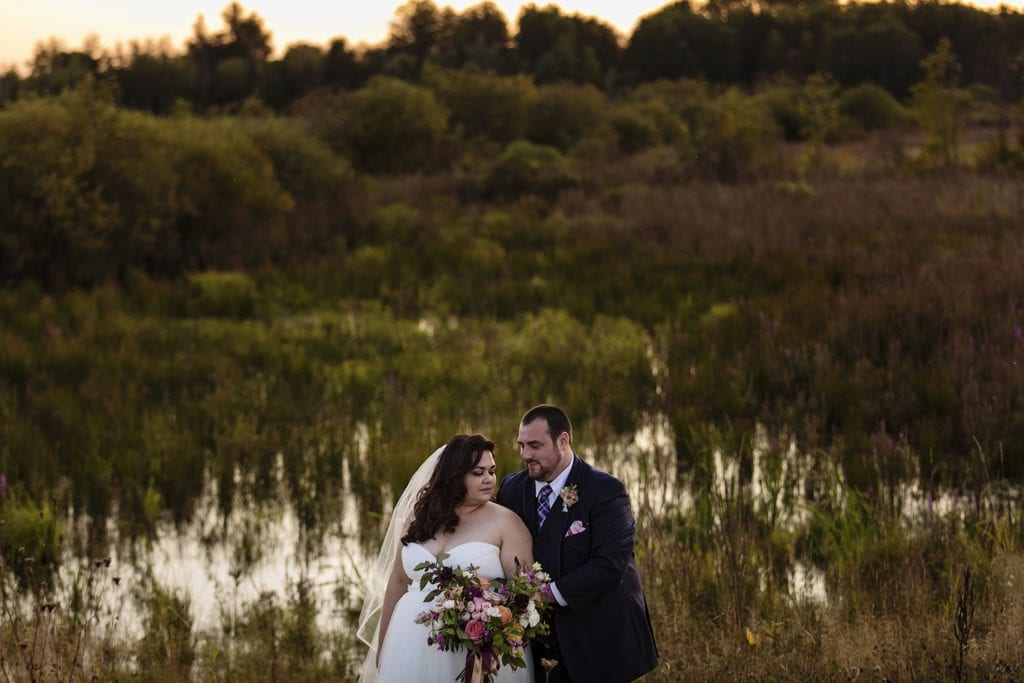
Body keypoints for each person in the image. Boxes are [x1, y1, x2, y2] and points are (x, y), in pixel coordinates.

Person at [496, 405, 659, 682]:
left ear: (563, 441)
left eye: (535, 445)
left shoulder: (606, 491)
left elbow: (609, 566)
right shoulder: (511, 488)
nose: (525, 455)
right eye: (521, 446)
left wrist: (546, 594)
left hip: (599, 639)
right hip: (535, 644)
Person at [357, 434, 537, 683]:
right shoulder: (418, 518)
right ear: (454, 475)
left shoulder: (507, 522)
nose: (489, 479)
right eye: (478, 472)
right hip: (409, 641)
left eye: (492, 471)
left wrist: (486, 624)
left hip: (473, 649)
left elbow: (522, 593)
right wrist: (384, 644)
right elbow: (398, 581)